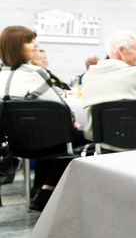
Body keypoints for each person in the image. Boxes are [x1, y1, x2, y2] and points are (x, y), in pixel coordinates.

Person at [0, 26, 89, 211]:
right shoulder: (35, 73)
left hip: (15, 144)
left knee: (47, 137)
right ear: (18, 46)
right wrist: (72, 121)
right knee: (85, 137)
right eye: (31, 41)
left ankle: (37, 190)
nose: (37, 44)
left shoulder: (2, 74)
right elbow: (62, 111)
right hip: (45, 142)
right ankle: (47, 191)